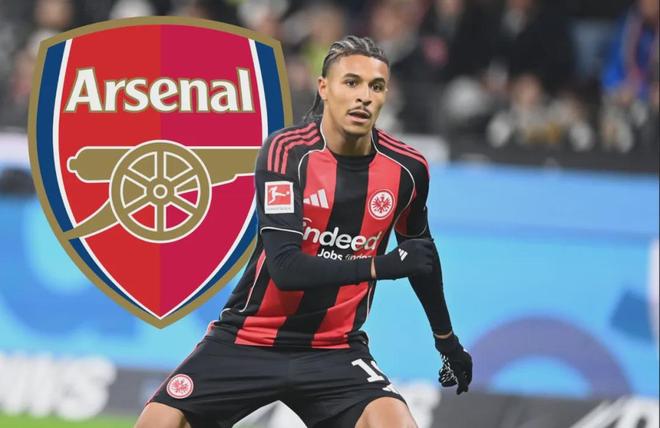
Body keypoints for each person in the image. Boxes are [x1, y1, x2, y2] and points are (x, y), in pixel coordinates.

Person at [135, 35, 472, 428]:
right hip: (249, 338)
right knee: (158, 422)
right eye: (351, 82)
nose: (364, 97)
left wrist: (447, 341)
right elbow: (286, 268)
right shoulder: (287, 152)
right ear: (324, 88)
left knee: (396, 423)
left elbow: (421, 260)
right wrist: (381, 265)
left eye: (376, 86)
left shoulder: (407, 170)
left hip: (335, 349)